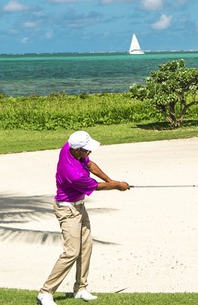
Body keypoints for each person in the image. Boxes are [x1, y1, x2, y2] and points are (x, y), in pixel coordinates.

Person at [37, 130, 129, 304]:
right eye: (86, 150)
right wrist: (117, 185)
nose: (89, 152)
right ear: (77, 149)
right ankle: (45, 292)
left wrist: (112, 180)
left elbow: (90, 164)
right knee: (71, 252)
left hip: (80, 207)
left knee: (86, 247)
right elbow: (96, 187)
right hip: (67, 211)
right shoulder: (73, 173)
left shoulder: (69, 148)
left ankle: (80, 288)